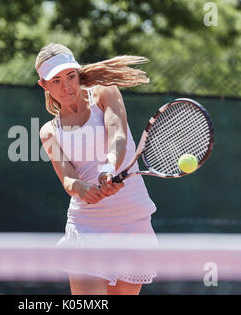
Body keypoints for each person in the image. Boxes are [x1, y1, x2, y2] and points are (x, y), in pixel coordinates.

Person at [36, 43, 157, 295]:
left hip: (133, 219)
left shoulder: (104, 92)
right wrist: (83, 189)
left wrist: (109, 166)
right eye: (56, 80)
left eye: (70, 75)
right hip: (87, 225)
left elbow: (119, 136)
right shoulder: (49, 131)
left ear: (79, 74)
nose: (66, 85)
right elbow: (69, 180)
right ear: (44, 86)